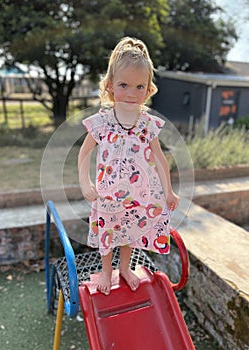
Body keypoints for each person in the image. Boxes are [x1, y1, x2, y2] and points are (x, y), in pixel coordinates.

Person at [78, 36, 179, 295]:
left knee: (130, 231)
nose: (131, 93)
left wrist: (168, 190)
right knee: (109, 232)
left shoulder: (147, 124)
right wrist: (84, 181)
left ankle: (125, 267)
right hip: (108, 194)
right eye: (124, 85)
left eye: (139, 86)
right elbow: (85, 152)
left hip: (138, 193)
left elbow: (159, 158)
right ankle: (106, 270)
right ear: (111, 86)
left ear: (147, 89)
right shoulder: (102, 122)